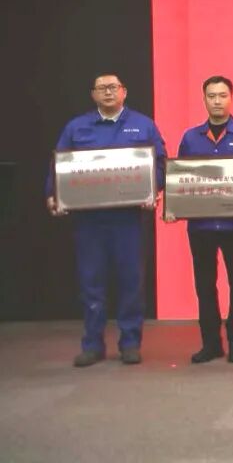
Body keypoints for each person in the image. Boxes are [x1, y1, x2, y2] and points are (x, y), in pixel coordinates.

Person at [46, 73, 166, 367]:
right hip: (90, 220)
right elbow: (58, 164)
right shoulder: (76, 127)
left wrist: (154, 188)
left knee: (131, 282)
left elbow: (161, 163)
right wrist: (53, 194)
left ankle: (130, 343)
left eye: (113, 87)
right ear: (93, 94)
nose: (108, 92)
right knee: (91, 283)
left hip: (128, 219)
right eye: (102, 88)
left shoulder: (144, 125)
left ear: (124, 91)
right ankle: (92, 344)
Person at [164, 75, 233, 364]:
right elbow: (180, 177)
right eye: (212, 96)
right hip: (201, 225)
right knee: (205, 285)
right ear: (204, 100)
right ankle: (210, 343)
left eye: (222, 95)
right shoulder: (190, 137)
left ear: (231, 98)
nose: (217, 101)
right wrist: (174, 206)